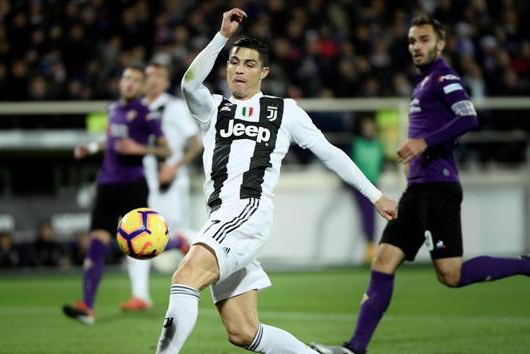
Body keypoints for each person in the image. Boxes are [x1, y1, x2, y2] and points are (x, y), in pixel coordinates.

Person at [155, 9, 397, 354]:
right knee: (242, 331)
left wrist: (376, 196)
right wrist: (222, 36)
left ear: (264, 72)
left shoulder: (283, 111)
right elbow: (189, 83)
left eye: (249, 64)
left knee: (185, 276)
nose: (238, 69)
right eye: (234, 62)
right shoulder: (213, 108)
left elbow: (330, 153)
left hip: (247, 210)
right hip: (221, 216)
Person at [311, 17, 530, 354]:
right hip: (416, 191)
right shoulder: (424, 82)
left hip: (438, 190)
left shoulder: (444, 77)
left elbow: (469, 116)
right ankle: (354, 348)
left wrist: (424, 142)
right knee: (383, 261)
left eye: (424, 40)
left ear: (440, 44)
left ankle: (526, 265)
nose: (417, 46)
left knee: (450, 274)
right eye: (413, 41)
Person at [61, 65, 171, 325]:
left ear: (143, 87)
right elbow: (109, 138)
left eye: (136, 80)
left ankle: (176, 240)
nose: (130, 83)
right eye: (126, 78)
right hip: (107, 184)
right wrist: (90, 148)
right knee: (97, 242)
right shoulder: (112, 109)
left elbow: (166, 151)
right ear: (121, 83)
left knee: (144, 241)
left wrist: (140, 148)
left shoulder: (147, 114)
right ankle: (87, 307)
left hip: (133, 184)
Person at [121, 62, 202, 311]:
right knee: (133, 232)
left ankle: (223, 256)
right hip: (142, 182)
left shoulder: (175, 107)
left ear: (166, 83)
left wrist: (174, 167)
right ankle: (140, 295)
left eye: (159, 76)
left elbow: (195, 143)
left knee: (174, 231)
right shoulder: (136, 108)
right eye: (149, 76)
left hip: (170, 182)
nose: (153, 80)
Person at [348, 116, 384, 263]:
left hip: (374, 183)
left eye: (370, 126)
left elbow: (380, 163)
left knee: (372, 215)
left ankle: (371, 249)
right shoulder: (356, 143)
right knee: (367, 214)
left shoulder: (378, 144)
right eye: (366, 126)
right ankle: (371, 249)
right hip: (360, 185)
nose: (368, 129)